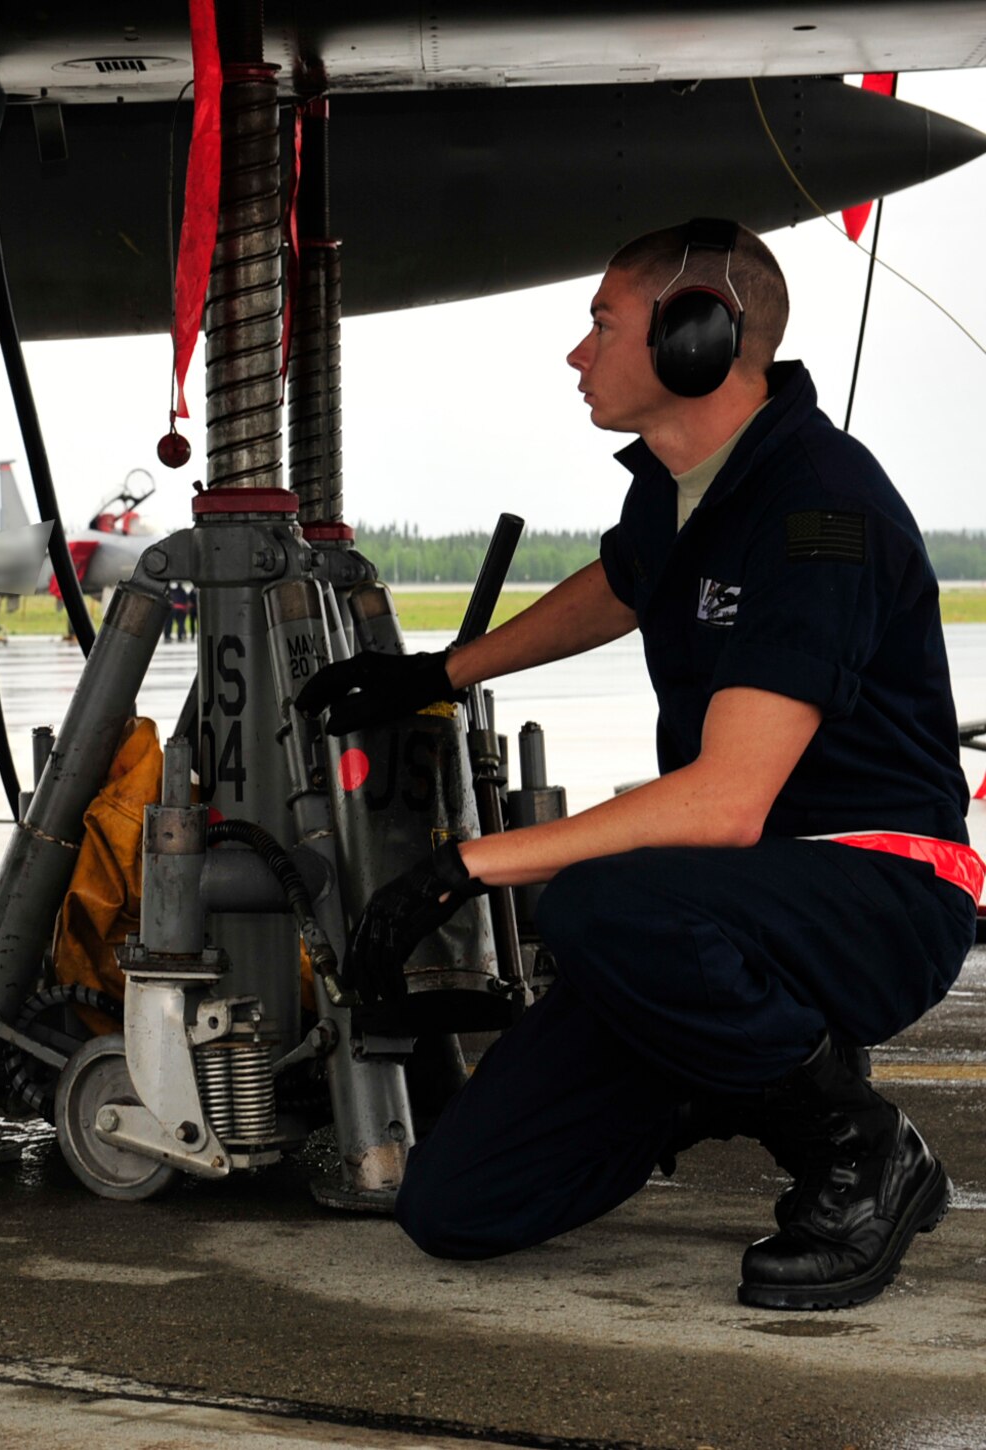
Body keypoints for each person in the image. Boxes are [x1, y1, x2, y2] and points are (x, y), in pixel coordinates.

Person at [297, 220, 978, 1311]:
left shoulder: (813, 508)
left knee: (601, 903)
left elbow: (722, 800)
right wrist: (439, 671)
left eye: (599, 325)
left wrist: (464, 866)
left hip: (872, 888)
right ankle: (717, 1060)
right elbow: (622, 583)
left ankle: (860, 1148)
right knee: (457, 1208)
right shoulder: (680, 485)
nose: (576, 354)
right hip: (731, 906)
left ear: (695, 335)